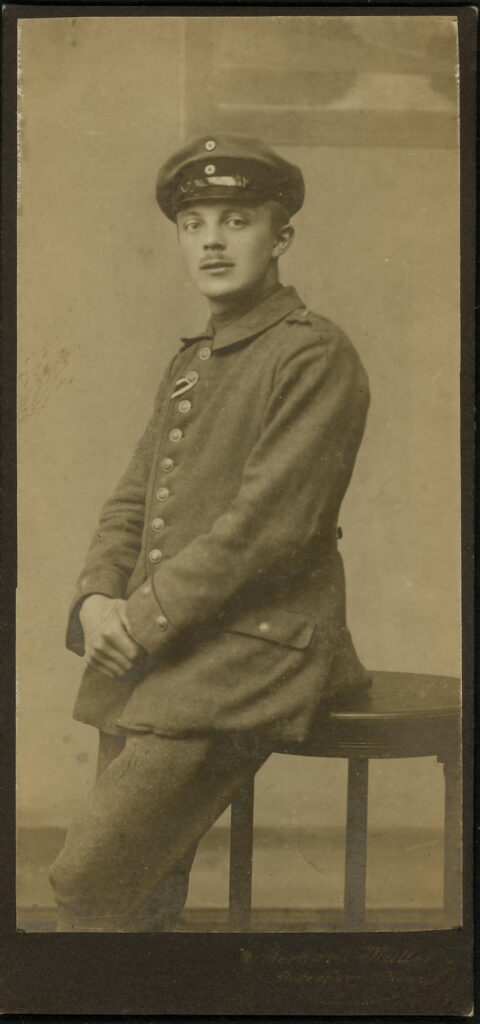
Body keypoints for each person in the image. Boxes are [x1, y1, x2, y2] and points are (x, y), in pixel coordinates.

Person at [49, 133, 371, 932]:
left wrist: (139, 619)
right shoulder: (193, 363)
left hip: (256, 650)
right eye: (194, 225)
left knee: (88, 880)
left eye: (237, 220)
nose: (213, 241)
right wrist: (96, 600)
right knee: (135, 897)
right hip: (169, 647)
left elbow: (268, 530)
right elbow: (132, 500)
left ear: (280, 237)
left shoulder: (313, 354)